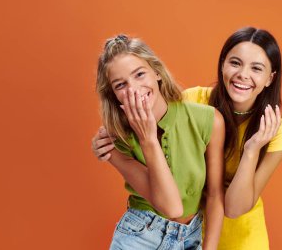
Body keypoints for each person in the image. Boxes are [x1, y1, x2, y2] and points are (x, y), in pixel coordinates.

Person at [92, 27, 282, 250]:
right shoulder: (192, 100)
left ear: (270, 78)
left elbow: (230, 205)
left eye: (256, 68)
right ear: (222, 64)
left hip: (232, 233)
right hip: (155, 232)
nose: (243, 74)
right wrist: (121, 142)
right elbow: (171, 205)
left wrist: (252, 149)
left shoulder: (273, 130)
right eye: (235, 63)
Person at [95, 34, 225, 250]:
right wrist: (147, 139)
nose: (134, 88)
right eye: (120, 85)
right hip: (139, 237)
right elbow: (171, 207)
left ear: (156, 72)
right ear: (114, 95)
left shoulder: (208, 120)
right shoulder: (119, 139)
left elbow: (214, 195)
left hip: (190, 238)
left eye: (139, 74)